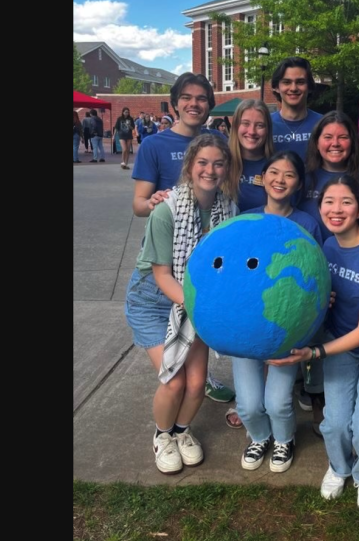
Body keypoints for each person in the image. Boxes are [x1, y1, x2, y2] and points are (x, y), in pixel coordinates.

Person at [269, 175, 359, 511]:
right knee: (334, 423)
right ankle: (339, 467)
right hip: (338, 343)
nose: (336, 209)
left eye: (346, 202)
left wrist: (315, 352)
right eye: (329, 202)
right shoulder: (326, 247)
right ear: (320, 206)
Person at [124, 134, 238, 474]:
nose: (210, 169)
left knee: (197, 382)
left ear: (226, 169)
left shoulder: (228, 210)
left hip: (195, 301)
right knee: (173, 379)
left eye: (218, 163)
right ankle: (162, 435)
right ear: (189, 166)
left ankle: (181, 430)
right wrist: (202, 308)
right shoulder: (166, 210)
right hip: (155, 301)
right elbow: (161, 275)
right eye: (202, 162)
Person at [131, 72, 236, 407]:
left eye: (202, 98)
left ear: (210, 105)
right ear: (175, 103)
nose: (194, 104)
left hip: (200, 253)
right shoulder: (154, 144)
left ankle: (200, 379)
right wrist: (154, 203)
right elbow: (137, 204)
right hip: (167, 250)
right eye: (187, 98)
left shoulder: (217, 140)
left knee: (192, 371)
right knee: (173, 376)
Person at [232, 151, 322, 473]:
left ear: (298, 183)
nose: (279, 179)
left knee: (278, 401)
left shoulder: (308, 224)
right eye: (273, 172)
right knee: (248, 404)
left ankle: (284, 439)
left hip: (288, 329)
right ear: (262, 177)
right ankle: (260, 436)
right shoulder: (246, 220)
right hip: (245, 325)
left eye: (288, 174)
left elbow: (320, 275)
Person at [303, 111, 359, 242]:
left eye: (343, 137)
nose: (335, 143)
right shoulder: (303, 177)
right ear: (317, 142)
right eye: (328, 137)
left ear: (352, 141)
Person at [270, 57, 324, 161]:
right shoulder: (265, 125)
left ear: (309, 87)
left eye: (300, 82)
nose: (293, 88)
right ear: (276, 87)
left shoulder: (323, 124)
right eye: (286, 82)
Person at [229, 100, 274, 212]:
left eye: (260, 125)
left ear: (268, 130)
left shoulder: (276, 167)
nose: (252, 131)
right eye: (245, 123)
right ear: (235, 126)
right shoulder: (222, 163)